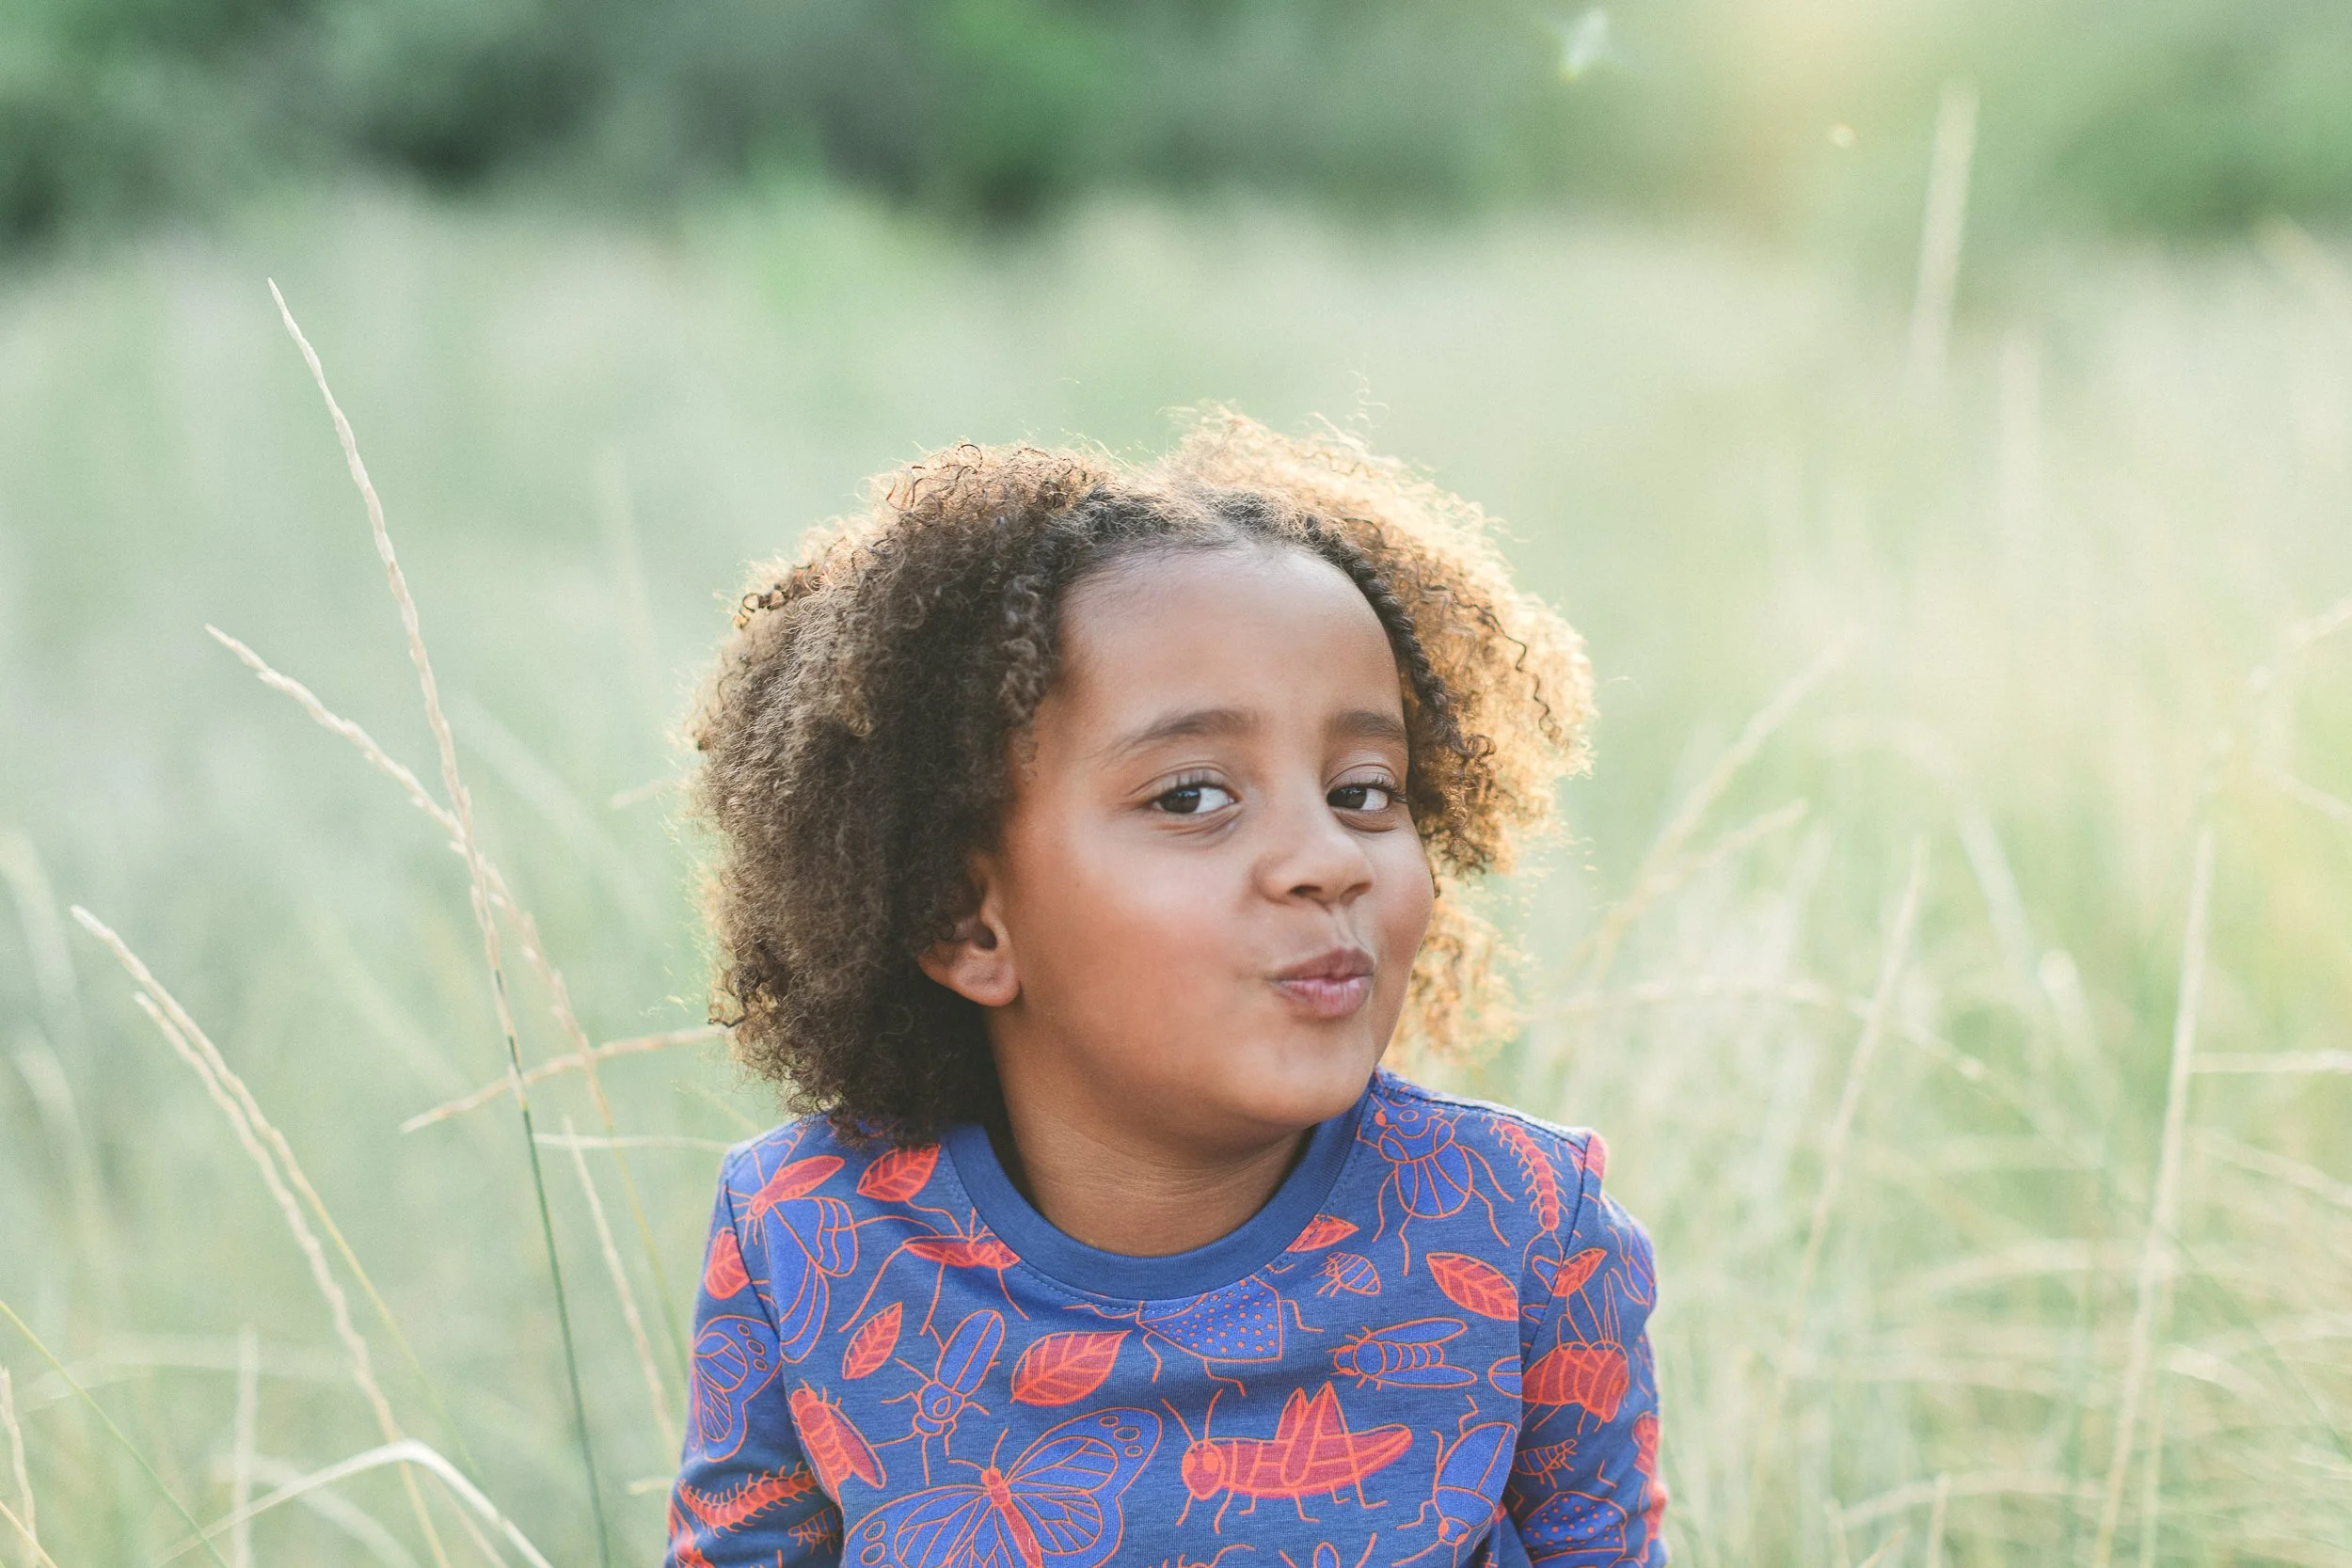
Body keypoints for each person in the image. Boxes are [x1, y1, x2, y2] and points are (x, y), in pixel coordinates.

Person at [665, 412, 1665, 1567]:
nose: (1329, 857)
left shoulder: (1529, 1230)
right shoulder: (810, 1234)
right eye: (1192, 796)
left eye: (1364, 789)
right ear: (964, 917)